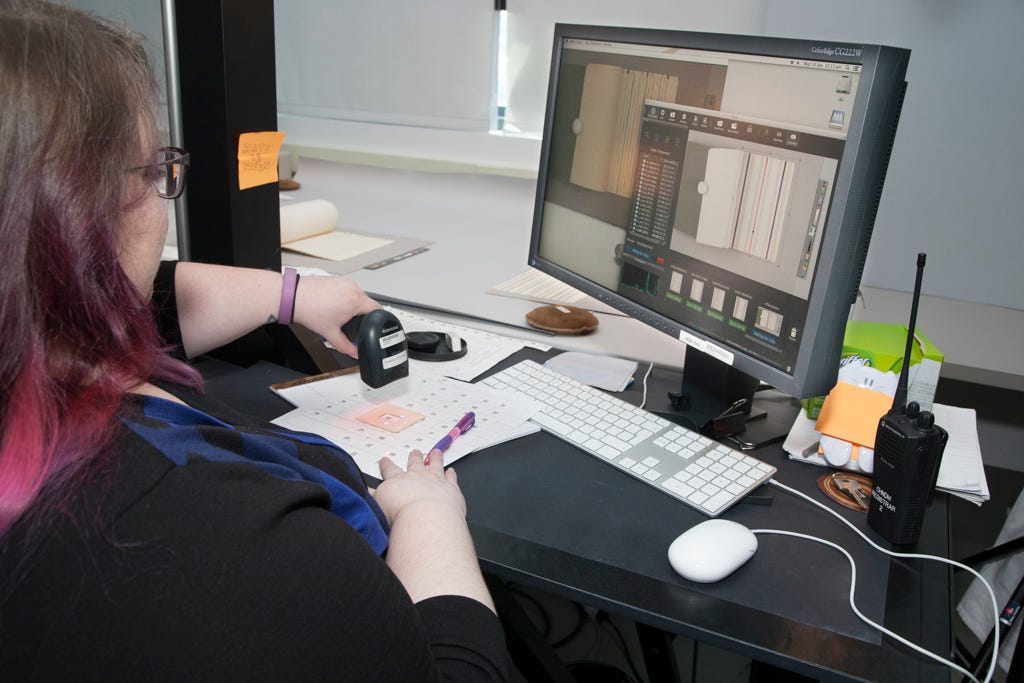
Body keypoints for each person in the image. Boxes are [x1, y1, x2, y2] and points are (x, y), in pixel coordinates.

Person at [0, 1, 510, 679]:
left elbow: (131, 297)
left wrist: (295, 294)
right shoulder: (228, 552)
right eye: (155, 174)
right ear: (74, 217)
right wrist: (427, 518)